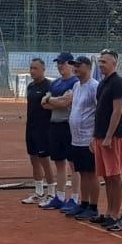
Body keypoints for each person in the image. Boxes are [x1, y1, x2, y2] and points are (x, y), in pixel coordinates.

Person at [91, 49, 122, 228]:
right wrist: (95, 136)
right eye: (100, 62)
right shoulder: (102, 83)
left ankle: (115, 213)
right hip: (100, 136)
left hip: (112, 137)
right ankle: (108, 211)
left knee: (114, 175)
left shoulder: (118, 83)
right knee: (106, 176)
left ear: (114, 64)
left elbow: (117, 111)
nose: (101, 65)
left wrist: (108, 136)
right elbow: (98, 111)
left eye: (104, 62)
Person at [41, 53, 78, 211]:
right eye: (58, 63)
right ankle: (60, 196)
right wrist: (54, 101)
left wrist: (52, 101)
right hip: (55, 125)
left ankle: (75, 198)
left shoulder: (75, 82)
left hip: (68, 126)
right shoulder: (55, 83)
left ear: (71, 64)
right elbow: (44, 103)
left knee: (74, 164)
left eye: (62, 63)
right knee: (59, 163)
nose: (60, 66)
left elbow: (65, 102)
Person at [66, 56, 101, 220]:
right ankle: (84, 203)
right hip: (76, 138)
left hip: (88, 138)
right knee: (82, 172)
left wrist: (95, 136)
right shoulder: (76, 85)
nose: (75, 68)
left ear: (88, 67)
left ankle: (93, 206)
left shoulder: (94, 86)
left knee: (91, 173)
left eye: (78, 66)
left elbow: (99, 111)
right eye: (74, 66)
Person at [22, 57, 55, 205]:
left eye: (35, 68)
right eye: (31, 68)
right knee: (33, 160)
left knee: (45, 161)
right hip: (31, 129)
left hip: (44, 130)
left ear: (43, 69)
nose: (32, 71)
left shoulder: (50, 86)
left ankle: (52, 194)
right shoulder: (29, 87)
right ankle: (39, 192)